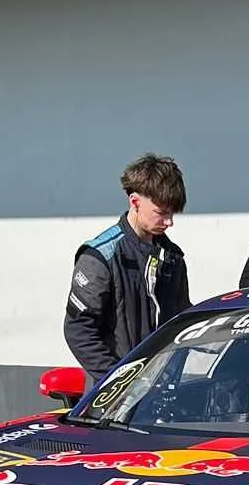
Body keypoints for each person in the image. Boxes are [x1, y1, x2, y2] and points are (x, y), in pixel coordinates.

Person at [63, 153, 191, 379]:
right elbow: (78, 330)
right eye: (161, 212)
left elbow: (181, 320)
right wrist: (122, 380)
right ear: (135, 202)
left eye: (172, 212)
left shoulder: (173, 257)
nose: (169, 221)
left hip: (167, 388)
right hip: (118, 395)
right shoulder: (100, 256)